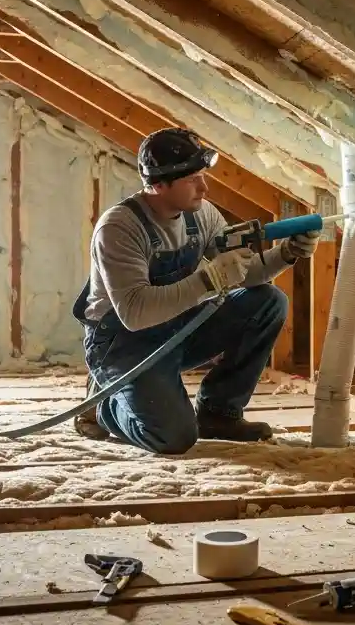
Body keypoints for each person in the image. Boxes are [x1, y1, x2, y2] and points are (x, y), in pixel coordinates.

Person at [70, 127, 320, 454]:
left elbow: (244, 274)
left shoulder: (200, 214)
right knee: (174, 438)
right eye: (191, 179)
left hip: (176, 326)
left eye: (202, 175)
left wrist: (286, 255)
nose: (204, 186)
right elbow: (134, 312)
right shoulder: (119, 228)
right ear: (159, 185)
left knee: (268, 302)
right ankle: (104, 406)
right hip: (124, 345)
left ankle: (219, 414)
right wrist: (209, 281)